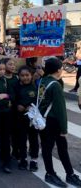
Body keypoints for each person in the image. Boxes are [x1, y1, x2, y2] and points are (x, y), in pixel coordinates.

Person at [38, 57, 81, 187]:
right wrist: (64, 130)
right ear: (58, 70)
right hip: (54, 122)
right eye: (61, 68)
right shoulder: (55, 86)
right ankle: (57, 174)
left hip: (43, 119)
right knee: (60, 148)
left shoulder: (44, 80)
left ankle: (62, 174)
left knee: (47, 148)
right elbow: (61, 110)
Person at [15, 66, 39, 172]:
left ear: (31, 75)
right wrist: (17, 105)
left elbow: (41, 101)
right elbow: (12, 98)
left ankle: (34, 160)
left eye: (27, 75)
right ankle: (23, 159)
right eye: (22, 76)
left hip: (33, 119)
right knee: (22, 139)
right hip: (20, 118)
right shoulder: (16, 86)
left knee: (34, 140)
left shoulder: (36, 86)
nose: (25, 78)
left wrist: (32, 106)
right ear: (19, 76)